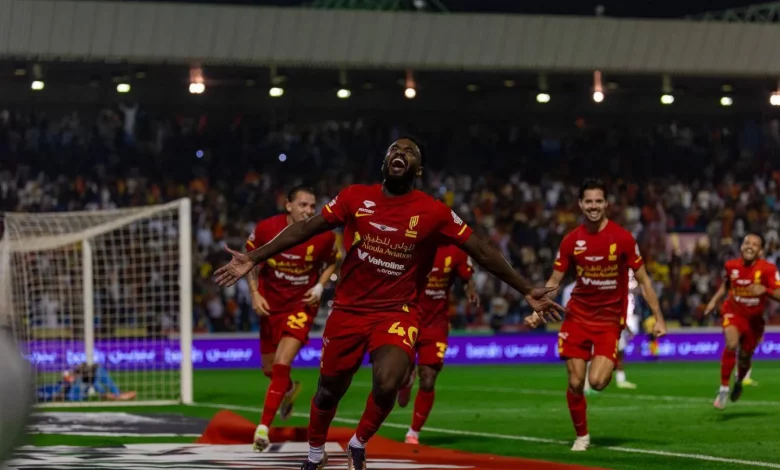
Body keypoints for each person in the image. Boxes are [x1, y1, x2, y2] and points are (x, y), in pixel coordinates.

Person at [214, 137, 563, 470]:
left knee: (389, 380)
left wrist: (524, 288)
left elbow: (482, 251)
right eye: (395, 149)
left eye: (409, 152)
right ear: (384, 162)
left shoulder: (434, 211)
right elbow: (306, 228)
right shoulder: (355, 197)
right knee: (328, 391)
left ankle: (358, 443)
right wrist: (253, 257)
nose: (400, 152)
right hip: (348, 311)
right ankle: (316, 452)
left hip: (397, 311)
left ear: (418, 170)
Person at [525, 178, 666, 452]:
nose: (593, 206)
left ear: (606, 204)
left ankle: (607, 371)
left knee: (598, 382)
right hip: (577, 317)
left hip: (609, 322)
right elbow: (554, 281)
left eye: (598, 201)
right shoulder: (571, 241)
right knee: (575, 382)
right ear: (580, 204)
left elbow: (644, 280)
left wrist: (658, 317)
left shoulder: (623, 238)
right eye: (588, 201)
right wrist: (537, 310)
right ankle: (582, 436)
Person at [245, 185, 339, 451]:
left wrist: (319, 286)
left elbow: (333, 261)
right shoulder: (267, 229)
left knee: (281, 363)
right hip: (270, 305)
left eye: (312, 206)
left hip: (301, 306)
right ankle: (288, 390)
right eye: (303, 205)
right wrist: (254, 293)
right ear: (288, 206)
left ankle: (263, 429)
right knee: (269, 368)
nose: (308, 210)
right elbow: (249, 260)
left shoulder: (323, 235)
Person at [396, 243, 479, 445]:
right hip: (408, 317)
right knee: (400, 373)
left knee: (428, 379)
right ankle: (405, 381)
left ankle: (413, 432)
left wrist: (470, 290)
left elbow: (467, 277)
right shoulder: (413, 243)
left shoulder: (455, 250)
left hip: (436, 323)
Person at [703, 233, 780, 410]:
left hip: (754, 321)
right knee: (731, 343)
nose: (749, 246)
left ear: (760, 251)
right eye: (747, 243)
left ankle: (738, 381)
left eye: (754, 244)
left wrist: (765, 290)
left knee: (745, 358)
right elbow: (727, 284)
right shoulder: (731, 265)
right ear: (741, 246)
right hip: (733, 312)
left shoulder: (768, 269)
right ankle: (723, 389)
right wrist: (713, 301)